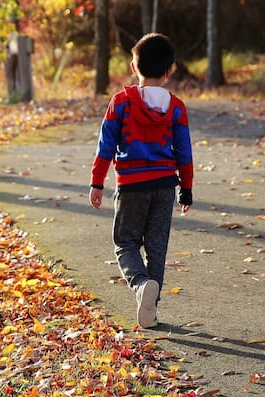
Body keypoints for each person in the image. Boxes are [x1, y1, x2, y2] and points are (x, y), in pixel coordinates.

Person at [89, 33, 193, 329]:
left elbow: (105, 144)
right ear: (170, 70)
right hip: (164, 185)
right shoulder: (176, 108)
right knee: (156, 247)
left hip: (131, 185)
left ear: (134, 68)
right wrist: (186, 188)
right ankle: (151, 309)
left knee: (125, 242)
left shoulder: (120, 103)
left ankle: (139, 284)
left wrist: (97, 182)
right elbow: (184, 151)